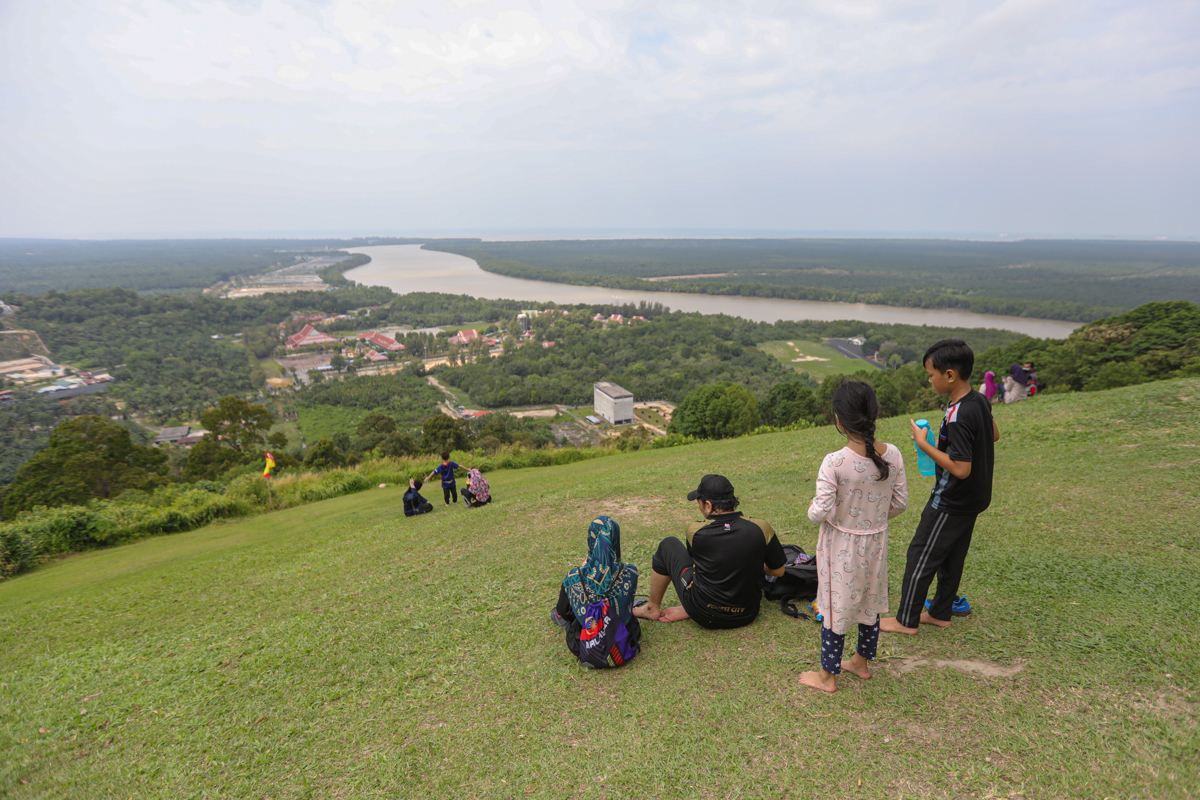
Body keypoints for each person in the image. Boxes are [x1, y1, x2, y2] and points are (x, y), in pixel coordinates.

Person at [881, 339, 1000, 636]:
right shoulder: (979, 401)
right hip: (975, 498)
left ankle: (905, 620)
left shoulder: (959, 414)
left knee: (921, 554)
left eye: (931, 375)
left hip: (952, 500)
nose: (930, 380)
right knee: (951, 556)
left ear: (950, 375)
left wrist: (924, 445)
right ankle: (940, 612)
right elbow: (994, 434)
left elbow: (961, 468)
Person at [800, 381, 908, 693]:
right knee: (868, 602)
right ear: (876, 413)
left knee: (835, 607)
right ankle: (860, 662)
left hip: (841, 546)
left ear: (838, 420)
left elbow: (818, 512)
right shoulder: (894, 455)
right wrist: (871, 520)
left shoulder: (834, 461)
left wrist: (817, 509)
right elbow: (899, 503)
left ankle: (827, 677)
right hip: (876, 543)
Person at [633, 474, 787, 629]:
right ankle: (688, 608)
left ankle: (652, 608)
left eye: (699, 503)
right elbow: (779, 571)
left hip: (705, 614)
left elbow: (698, 568)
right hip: (747, 614)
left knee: (669, 544)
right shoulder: (761, 527)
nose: (699, 508)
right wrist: (749, 564)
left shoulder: (696, 531)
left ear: (708, 505)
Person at [551, 516, 641, 662]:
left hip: (584, 644)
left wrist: (583, 570)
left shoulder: (574, 577)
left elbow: (566, 614)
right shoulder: (631, 573)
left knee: (565, 614)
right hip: (625, 641)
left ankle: (556, 616)